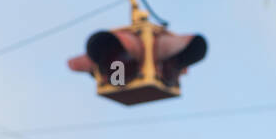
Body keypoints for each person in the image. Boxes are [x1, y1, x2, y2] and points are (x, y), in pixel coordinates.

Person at [67, 27, 207, 89]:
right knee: (119, 67)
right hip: (121, 75)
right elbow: (118, 77)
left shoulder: (117, 62)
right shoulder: (117, 63)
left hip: (120, 74)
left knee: (119, 67)